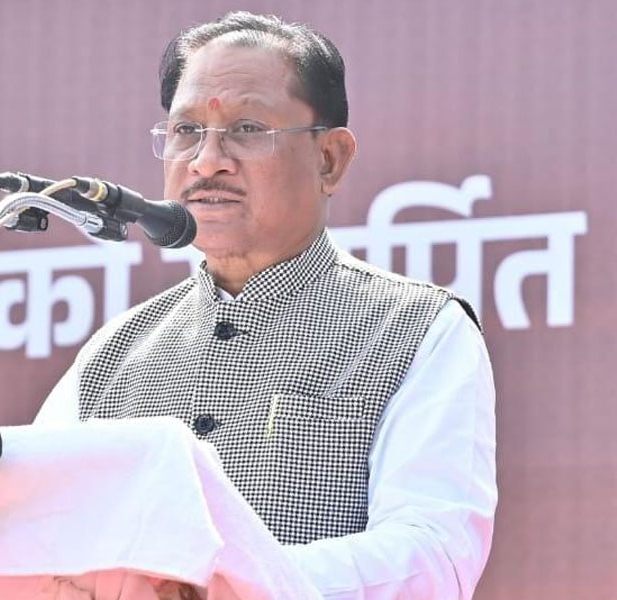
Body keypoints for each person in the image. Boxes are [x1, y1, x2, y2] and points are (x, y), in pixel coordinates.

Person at [37, 11, 496, 599]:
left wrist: (234, 584)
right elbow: (41, 538)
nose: (207, 161)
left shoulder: (419, 330)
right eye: (186, 130)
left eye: (248, 129)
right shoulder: (113, 353)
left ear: (329, 159)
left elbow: (433, 552)